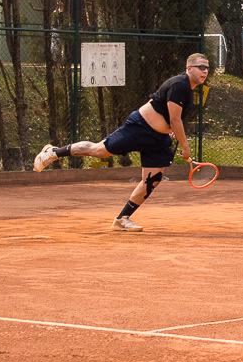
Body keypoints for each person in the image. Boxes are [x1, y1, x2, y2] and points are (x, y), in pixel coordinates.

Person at [33, 54, 209, 232]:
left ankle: (122, 219)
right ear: (189, 68)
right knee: (99, 151)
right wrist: (185, 146)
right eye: (201, 67)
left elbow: (169, 116)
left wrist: (169, 131)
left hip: (158, 139)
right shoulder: (179, 85)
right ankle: (54, 152)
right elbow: (175, 119)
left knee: (152, 179)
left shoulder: (189, 89)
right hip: (140, 128)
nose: (205, 71)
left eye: (207, 68)